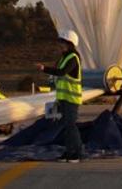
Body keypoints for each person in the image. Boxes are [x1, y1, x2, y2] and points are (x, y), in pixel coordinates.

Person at [37, 29, 82, 162]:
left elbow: (62, 72)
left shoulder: (73, 58)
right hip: (64, 98)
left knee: (71, 126)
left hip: (71, 99)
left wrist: (44, 69)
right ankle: (69, 152)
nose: (60, 45)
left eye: (63, 43)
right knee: (67, 127)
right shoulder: (64, 57)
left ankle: (77, 153)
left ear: (70, 43)